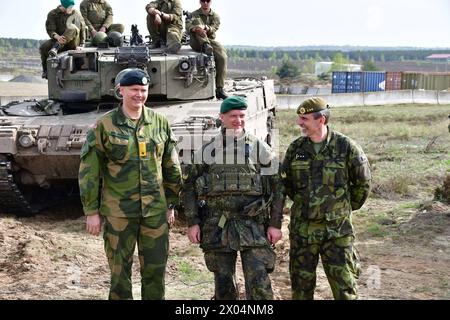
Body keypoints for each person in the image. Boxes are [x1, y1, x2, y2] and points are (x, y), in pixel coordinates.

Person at [78, 68, 182, 300]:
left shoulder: (160, 123)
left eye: (143, 90)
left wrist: (171, 204)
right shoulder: (105, 126)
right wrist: (91, 211)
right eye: (134, 90)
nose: (139, 94)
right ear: (120, 91)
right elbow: (89, 172)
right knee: (119, 274)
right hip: (119, 214)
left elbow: (171, 167)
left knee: (155, 272)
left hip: (155, 212)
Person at [183, 96, 284, 300]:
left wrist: (275, 224)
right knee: (224, 287)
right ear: (222, 117)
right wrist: (193, 223)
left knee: (259, 286)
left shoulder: (260, 149)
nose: (238, 120)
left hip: (254, 226)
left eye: (241, 115)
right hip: (217, 226)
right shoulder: (207, 150)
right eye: (233, 116)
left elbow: (278, 187)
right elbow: (188, 188)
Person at [280, 97, 372, 300]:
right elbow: (286, 184)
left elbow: (362, 183)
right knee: (301, 290)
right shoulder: (296, 149)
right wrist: (306, 205)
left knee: (345, 289)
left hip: (336, 233)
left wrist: (342, 208)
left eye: (304, 119)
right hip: (303, 232)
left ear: (320, 120)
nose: (299, 123)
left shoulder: (346, 147)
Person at [186, 0, 228, 100]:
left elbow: (214, 27)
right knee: (197, 24)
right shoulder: (193, 14)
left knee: (223, 57)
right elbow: (188, 27)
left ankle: (220, 88)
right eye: (203, 1)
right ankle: (205, 45)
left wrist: (205, 27)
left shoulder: (215, 16)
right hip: (196, 42)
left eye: (207, 1)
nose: (205, 3)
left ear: (211, 2)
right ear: (199, 2)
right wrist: (196, 29)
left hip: (210, 41)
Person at [39, 0, 86, 79]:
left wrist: (82, 45)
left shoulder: (76, 13)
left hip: (73, 41)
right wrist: (57, 37)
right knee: (44, 47)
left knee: (72, 28)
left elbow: (83, 29)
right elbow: (50, 30)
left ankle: (56, 47)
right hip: (58, 39)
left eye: (72, 6)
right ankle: (46, 71)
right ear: (63, 6)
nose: (71, 8)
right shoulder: (53, 14)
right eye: (69, 7)